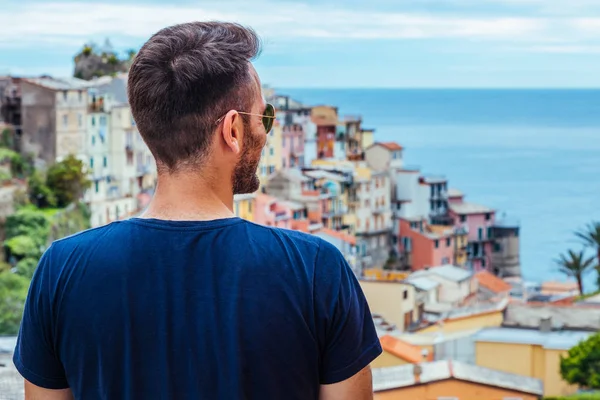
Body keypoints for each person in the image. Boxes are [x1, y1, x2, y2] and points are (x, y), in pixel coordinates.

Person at [13, 22, 382, 400]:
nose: (266, 132)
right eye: (264, 118)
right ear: (233, 130)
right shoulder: (316, 270)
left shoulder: (61, 270)